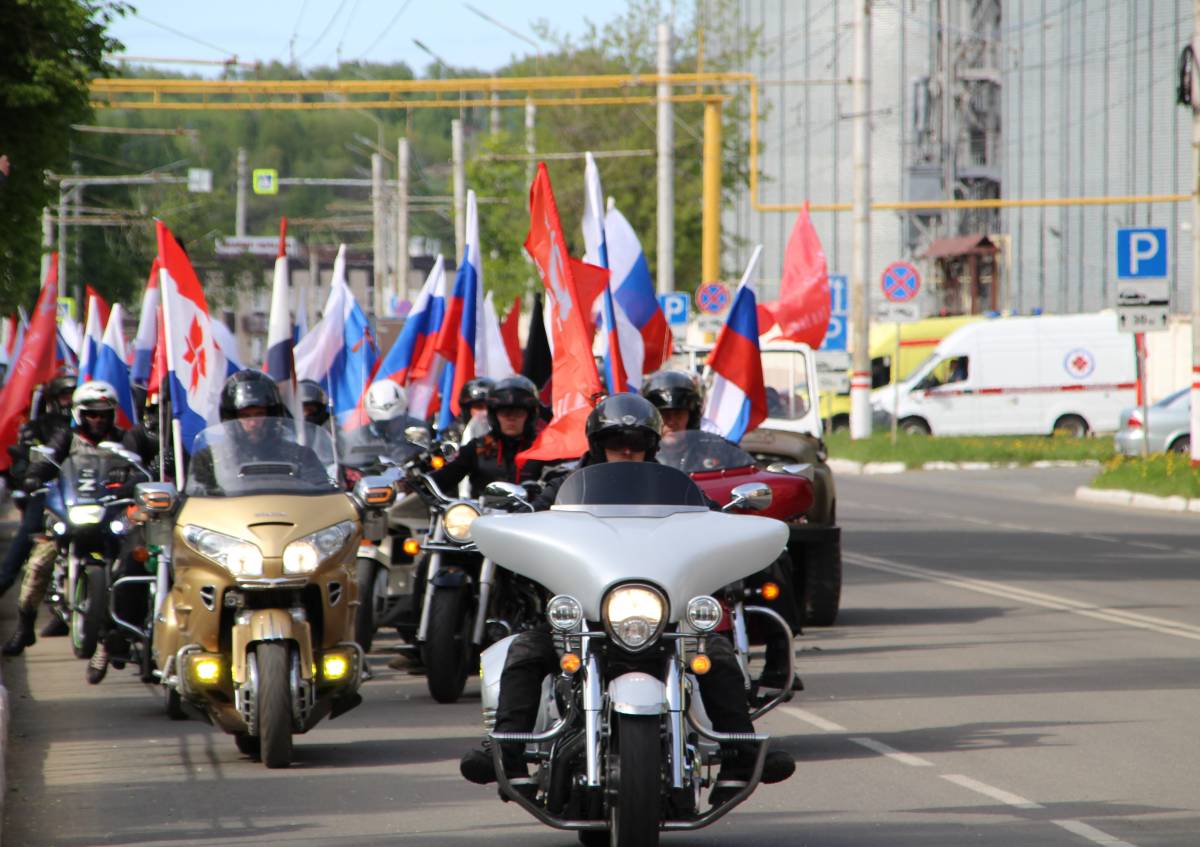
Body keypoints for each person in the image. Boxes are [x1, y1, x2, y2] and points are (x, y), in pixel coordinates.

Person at [460, 393, 795, 804]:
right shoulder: (563, 491)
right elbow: (533, 522)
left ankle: (740, 759)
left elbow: (713, 523)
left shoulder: (681, 492)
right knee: (527, 652)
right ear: (598, 444)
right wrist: (519, 522)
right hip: (585, 616)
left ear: (651, 446)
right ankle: (507, 754)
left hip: (660, 615)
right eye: (617, 441)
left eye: (636, 443)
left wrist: (729, 524)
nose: (627, 450)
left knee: (719, 657)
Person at [1, 382, 131, 682]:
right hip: (73, 512)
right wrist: (33, 477)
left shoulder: (124, 440)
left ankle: (120, 633)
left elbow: (140, 467)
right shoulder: (66, 438)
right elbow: (45, 465)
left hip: (109, 515)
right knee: (39, 562)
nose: (97, 420)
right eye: (90, 414)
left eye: (102, 414)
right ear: (79, 414)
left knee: (130, 563)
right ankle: (25, 624)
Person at [188, 370, 331, 495]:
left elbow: (322, 492)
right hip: (229, 524)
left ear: (272, 415)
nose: (253, 422)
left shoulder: (300, 456)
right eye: (245, 415)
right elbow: (197, 499)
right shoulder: (209, 460)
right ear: (232, 417)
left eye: (259, 414)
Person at [0, 374, 77, 596]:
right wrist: (29, 474)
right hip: (49, 491)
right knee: (29, 529)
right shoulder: (37, 427)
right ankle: (5, 579)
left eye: (73, 395)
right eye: (65, 396)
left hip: (83, 494)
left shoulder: (87, 428)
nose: (69, 401)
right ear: (53, 399)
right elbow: (23, 459)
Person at [430, 375, 544, 498]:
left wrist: (542, 500)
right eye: (505, 412)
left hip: (532, 514)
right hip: (483, 514)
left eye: (518, 412)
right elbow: (446, 477)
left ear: (530, 415)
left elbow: (557, 482)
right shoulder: (479, 447)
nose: (511, 418)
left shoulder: (543, 448)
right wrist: (419, 483)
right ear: (494, 415)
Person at [641, 369, 703, 436]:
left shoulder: (705, 445)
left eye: (678, 414)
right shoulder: (636, 446)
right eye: (664, 414)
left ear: (691, 418)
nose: (671, 422)